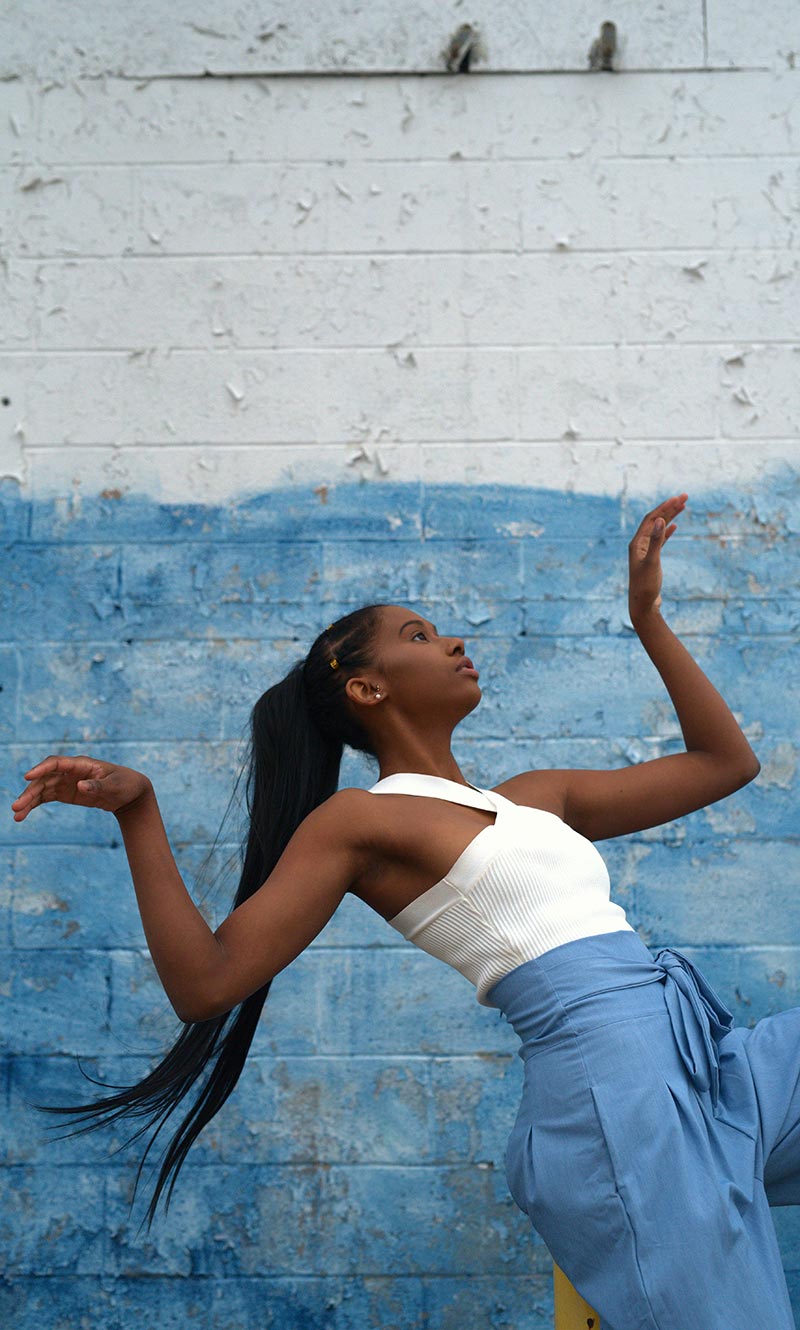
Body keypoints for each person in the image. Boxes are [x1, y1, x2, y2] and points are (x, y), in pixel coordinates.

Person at [9, 493, 797, 1328]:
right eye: (418, 635)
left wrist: (647, 618)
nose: (453, 640)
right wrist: (140, 810)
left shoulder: (535, 800)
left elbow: (725, 762)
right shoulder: (362, 821)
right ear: (367, 688)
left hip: (705, 1059)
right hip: (619, 1096)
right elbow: (204, 985)